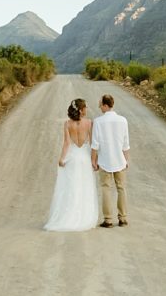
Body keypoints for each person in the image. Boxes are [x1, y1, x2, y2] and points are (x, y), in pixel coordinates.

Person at [43, 98, 100, 231]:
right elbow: (92, 144)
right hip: (85, 158)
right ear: (80, 110)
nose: (86, 109)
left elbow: (67, 143)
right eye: (85, 107)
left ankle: (68, 215)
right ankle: (84, 216)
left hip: (73, 157)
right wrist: (94, 161)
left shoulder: (67, 124)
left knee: (71, 186)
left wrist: (62, 159)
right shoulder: (89, 123)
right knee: (84, 186)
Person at [91, 93, 130, 228]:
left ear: (106, 105)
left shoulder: (98, 122)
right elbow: (126, 144)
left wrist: (93, 161)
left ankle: (108, 220)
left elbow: (95, 144)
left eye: (100, 104)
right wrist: (126, 160)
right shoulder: (123, 120)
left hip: (105, 160)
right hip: (120, 160)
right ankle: (123, 218)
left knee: (106, 189)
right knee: (121, 188)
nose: (99, 106)